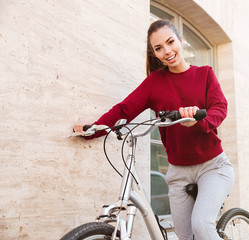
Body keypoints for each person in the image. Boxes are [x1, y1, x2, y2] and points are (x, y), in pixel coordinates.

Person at [74, 19, 234, 240]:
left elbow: (220, 108)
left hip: (213, 167)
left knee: (201, 225)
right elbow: (125, 108)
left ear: (181, 41)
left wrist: (197, 121)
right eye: (159, 48)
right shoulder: (155, 82)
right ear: (155, 54)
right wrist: (96, 128)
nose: (167, 51)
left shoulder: (204, 74)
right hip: (179, 173)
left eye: (170, 42)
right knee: (184, 236)